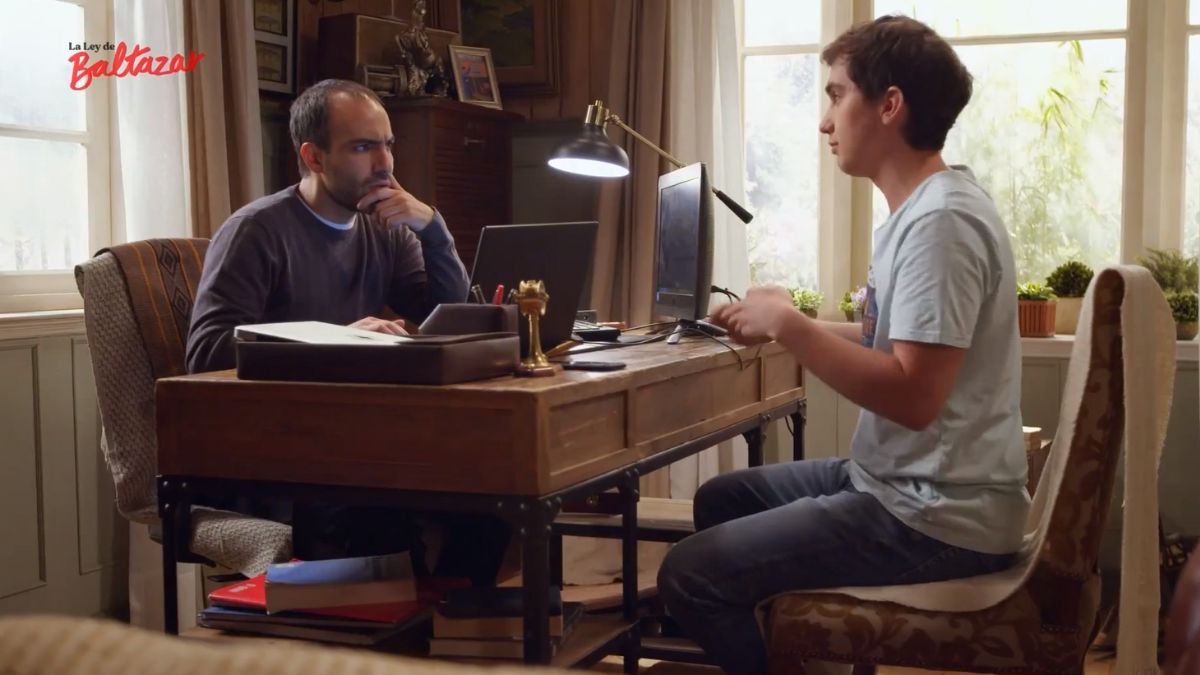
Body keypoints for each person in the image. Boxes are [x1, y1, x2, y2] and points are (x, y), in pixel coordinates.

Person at [657, 16, 1029, 674]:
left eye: (836, 95)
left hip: (933, 516)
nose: (824, 122)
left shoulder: (941, 224)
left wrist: (791, 326)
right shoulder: (925, 209)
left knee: (689, 575)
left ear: (889, 105)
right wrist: (773, 320)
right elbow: (890, 341)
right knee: (721, 499)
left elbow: (914, 395)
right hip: (900, 483)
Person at [186, 78, 508, 585]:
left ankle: (450, 620)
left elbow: (446, 318)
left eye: (388, 144)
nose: (385, 164)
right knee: (377, 514)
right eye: (362, 147)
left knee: (498, 490)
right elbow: (206, 354)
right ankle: (393, 623)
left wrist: (434, 230)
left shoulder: (386, 229)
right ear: (313, 157)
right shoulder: (257, 231)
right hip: (272, 450)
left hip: (358, 438)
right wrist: (331, 337)